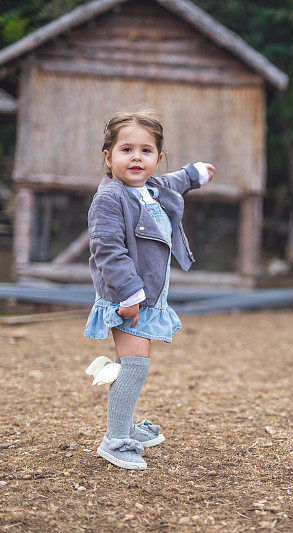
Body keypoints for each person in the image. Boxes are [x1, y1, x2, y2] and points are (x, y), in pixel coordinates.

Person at [83, 108, 214, 470]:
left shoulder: (153, 187)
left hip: (149, 297)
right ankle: (115, 440)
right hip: (127, 297)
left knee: (132, 364)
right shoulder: (110, 199)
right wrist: (128, 294)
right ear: (108, 157)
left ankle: (125, 426)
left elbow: (174, 182)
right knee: (135, 365)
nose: (136, 157)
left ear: (157, 158)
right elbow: (107, 249)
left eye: (146, 150)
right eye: (126, 150)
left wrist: (194, 174)